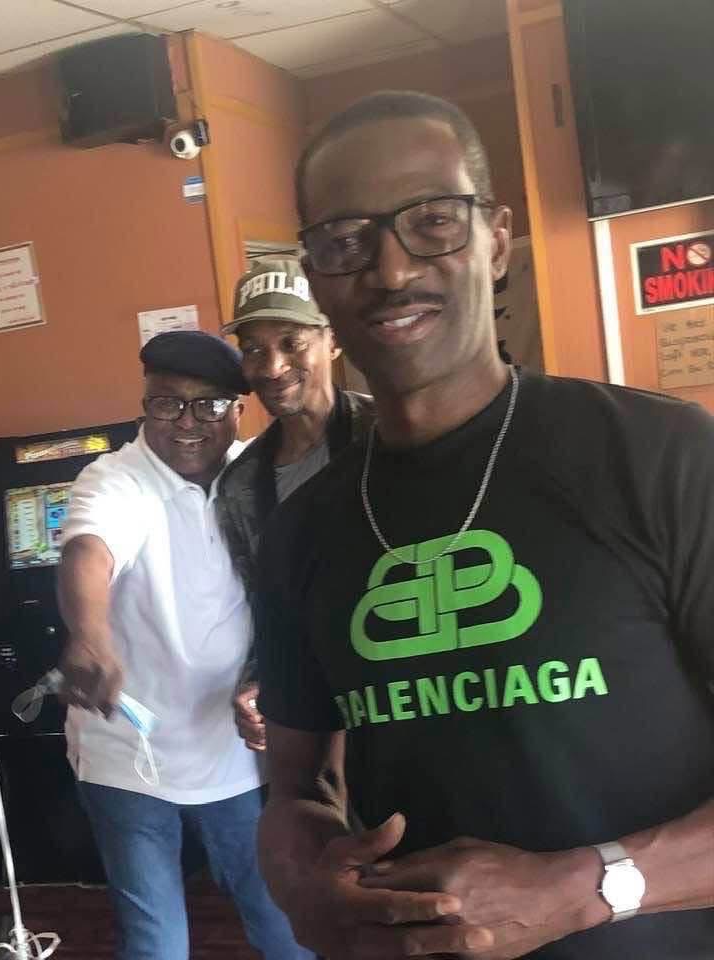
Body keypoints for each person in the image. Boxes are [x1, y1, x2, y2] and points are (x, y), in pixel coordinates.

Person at [253, 91, 714, 960]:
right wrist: (303, 885)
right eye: (346, 241)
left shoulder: (663, 457)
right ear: (315, 277)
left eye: (432, 221)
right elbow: (295, 789)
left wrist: (585, 888)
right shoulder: (300, 533)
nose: (391, 271)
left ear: (496, 239)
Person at [56, 330, 309, 960]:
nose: (187, 423)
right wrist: (89, 635)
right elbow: (89, 548)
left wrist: (267, 680)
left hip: (234, 754)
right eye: (167, 403)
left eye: (209, 405)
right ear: (146, 404)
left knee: (283, 925)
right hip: (127, 755)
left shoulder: (261, 477)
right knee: (156, 941)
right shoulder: (114, 478)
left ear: (238, 411)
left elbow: (290, 598)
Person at [217, 256, 374, 751]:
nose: (273, 367)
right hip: (312, 723)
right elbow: (267, 610)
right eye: (253, 350)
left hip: (401, 701)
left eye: (292, 342)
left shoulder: (389, 436)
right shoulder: (241, 484)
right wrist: (260, 683)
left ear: (333, 339)